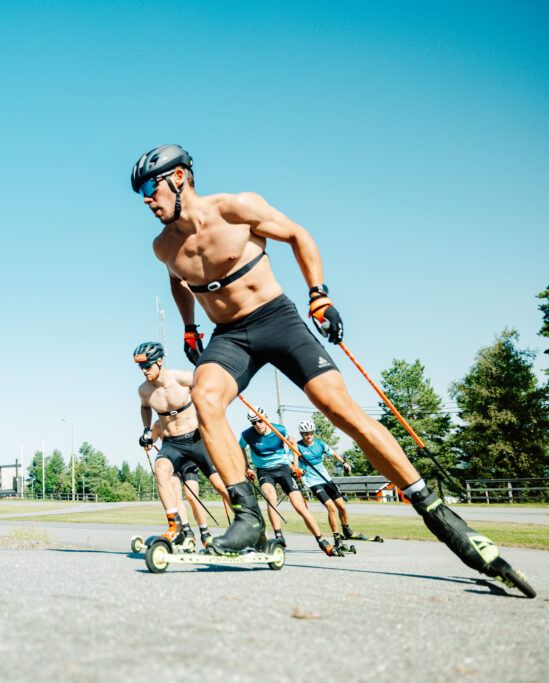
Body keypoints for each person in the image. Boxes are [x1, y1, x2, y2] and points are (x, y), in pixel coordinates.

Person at [130, 144, 521, 586]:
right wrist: (188, 327)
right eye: (140, 191)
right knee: (205, 395)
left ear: (178, 178)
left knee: (337, 408)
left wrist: (320, 294)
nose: (146, 198)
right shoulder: (164, 245)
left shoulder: (237, 208)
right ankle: (248, 519)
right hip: (229, 335)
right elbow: (177, 280)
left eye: (149, 187)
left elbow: (299, 235)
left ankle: (434, 510)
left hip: (275, 318)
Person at [136, 341, 230, 549]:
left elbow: (207, 385)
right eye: (140, 367)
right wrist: (146, 430)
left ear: (160, 362)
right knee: (161, 471)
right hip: (172, 443)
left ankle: (249, 525)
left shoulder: (182, 377)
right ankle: (174, 526)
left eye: (147, 366)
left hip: (196, 439)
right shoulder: (144, 390)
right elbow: (145, 408)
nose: (144, 371)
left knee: (220, 485)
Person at [239, 410, 341, 556]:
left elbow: (293, 442)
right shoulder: (247, 434)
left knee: (299, 506)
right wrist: (247, 467)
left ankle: (322, 541)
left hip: (283, 469)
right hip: (264, 471)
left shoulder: (279, 429)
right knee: (271, 499)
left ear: (265, 417)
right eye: (254, 422)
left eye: (260, 420)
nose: (258, 425)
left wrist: (296, 464)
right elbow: (241, 447)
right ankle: (279, 536)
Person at [294, 419, 370, 547]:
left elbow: (334, 454)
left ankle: (346, 530)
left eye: (311, 433)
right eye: (306, 433)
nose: (309, 436)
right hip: (313, 482)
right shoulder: (297, 446)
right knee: (331, 507)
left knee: (342, 507)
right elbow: (291, 463)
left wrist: (344, 463)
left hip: (326, 479)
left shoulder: (320, 444)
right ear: (302, 434)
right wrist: (297, 469)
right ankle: (337, 538)